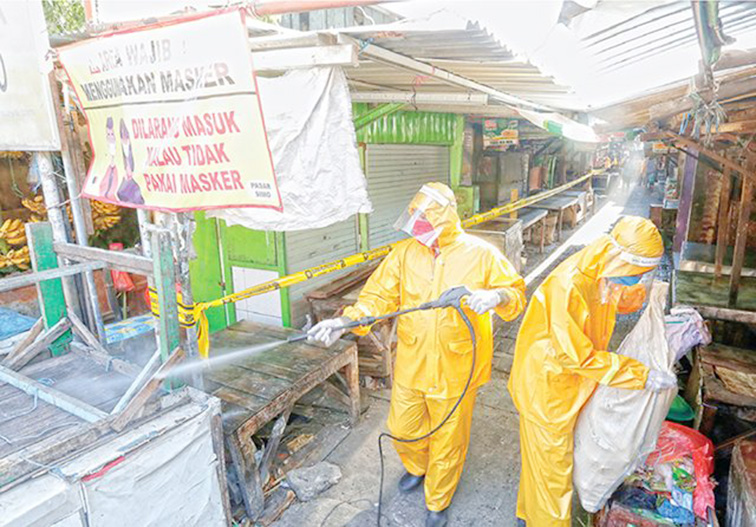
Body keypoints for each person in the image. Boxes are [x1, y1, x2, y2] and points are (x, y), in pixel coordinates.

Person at [308, 182, 526, 527]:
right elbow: (377, 299)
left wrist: (496, 296)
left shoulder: (480, 254)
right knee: (403, 427)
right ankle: (417, 466)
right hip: (412, 361)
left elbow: (516, 291)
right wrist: (344, 322)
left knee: (449, 438)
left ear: (445, 218)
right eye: (415, 220)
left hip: (458, 366)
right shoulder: (405, 253)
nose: (418, 229)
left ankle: (437, 499)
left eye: (425, 221)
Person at [509, 215, 677, 527]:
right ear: (621, 260)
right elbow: (578, 356)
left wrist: (649, 293)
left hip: (566, 382)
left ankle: (527, 514)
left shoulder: (602, 271)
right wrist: (640, 374)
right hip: (547, 388)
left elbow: (617, 300)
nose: (635, 279)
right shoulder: (569, 284)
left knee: (541, 461)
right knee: (554, 474)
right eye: (635, 273)